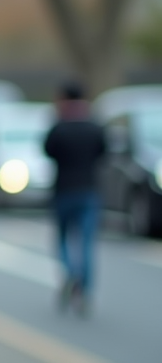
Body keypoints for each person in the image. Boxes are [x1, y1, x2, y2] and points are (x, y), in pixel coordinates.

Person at [43, 80, 106, 316]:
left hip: (63, 191)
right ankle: (85, 289)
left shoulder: (59, 126)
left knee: (63, 240)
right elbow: (103, 152)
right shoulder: (94, 126)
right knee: (87, 243)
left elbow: (48, 151)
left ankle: (70, 273)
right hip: (89, 190)